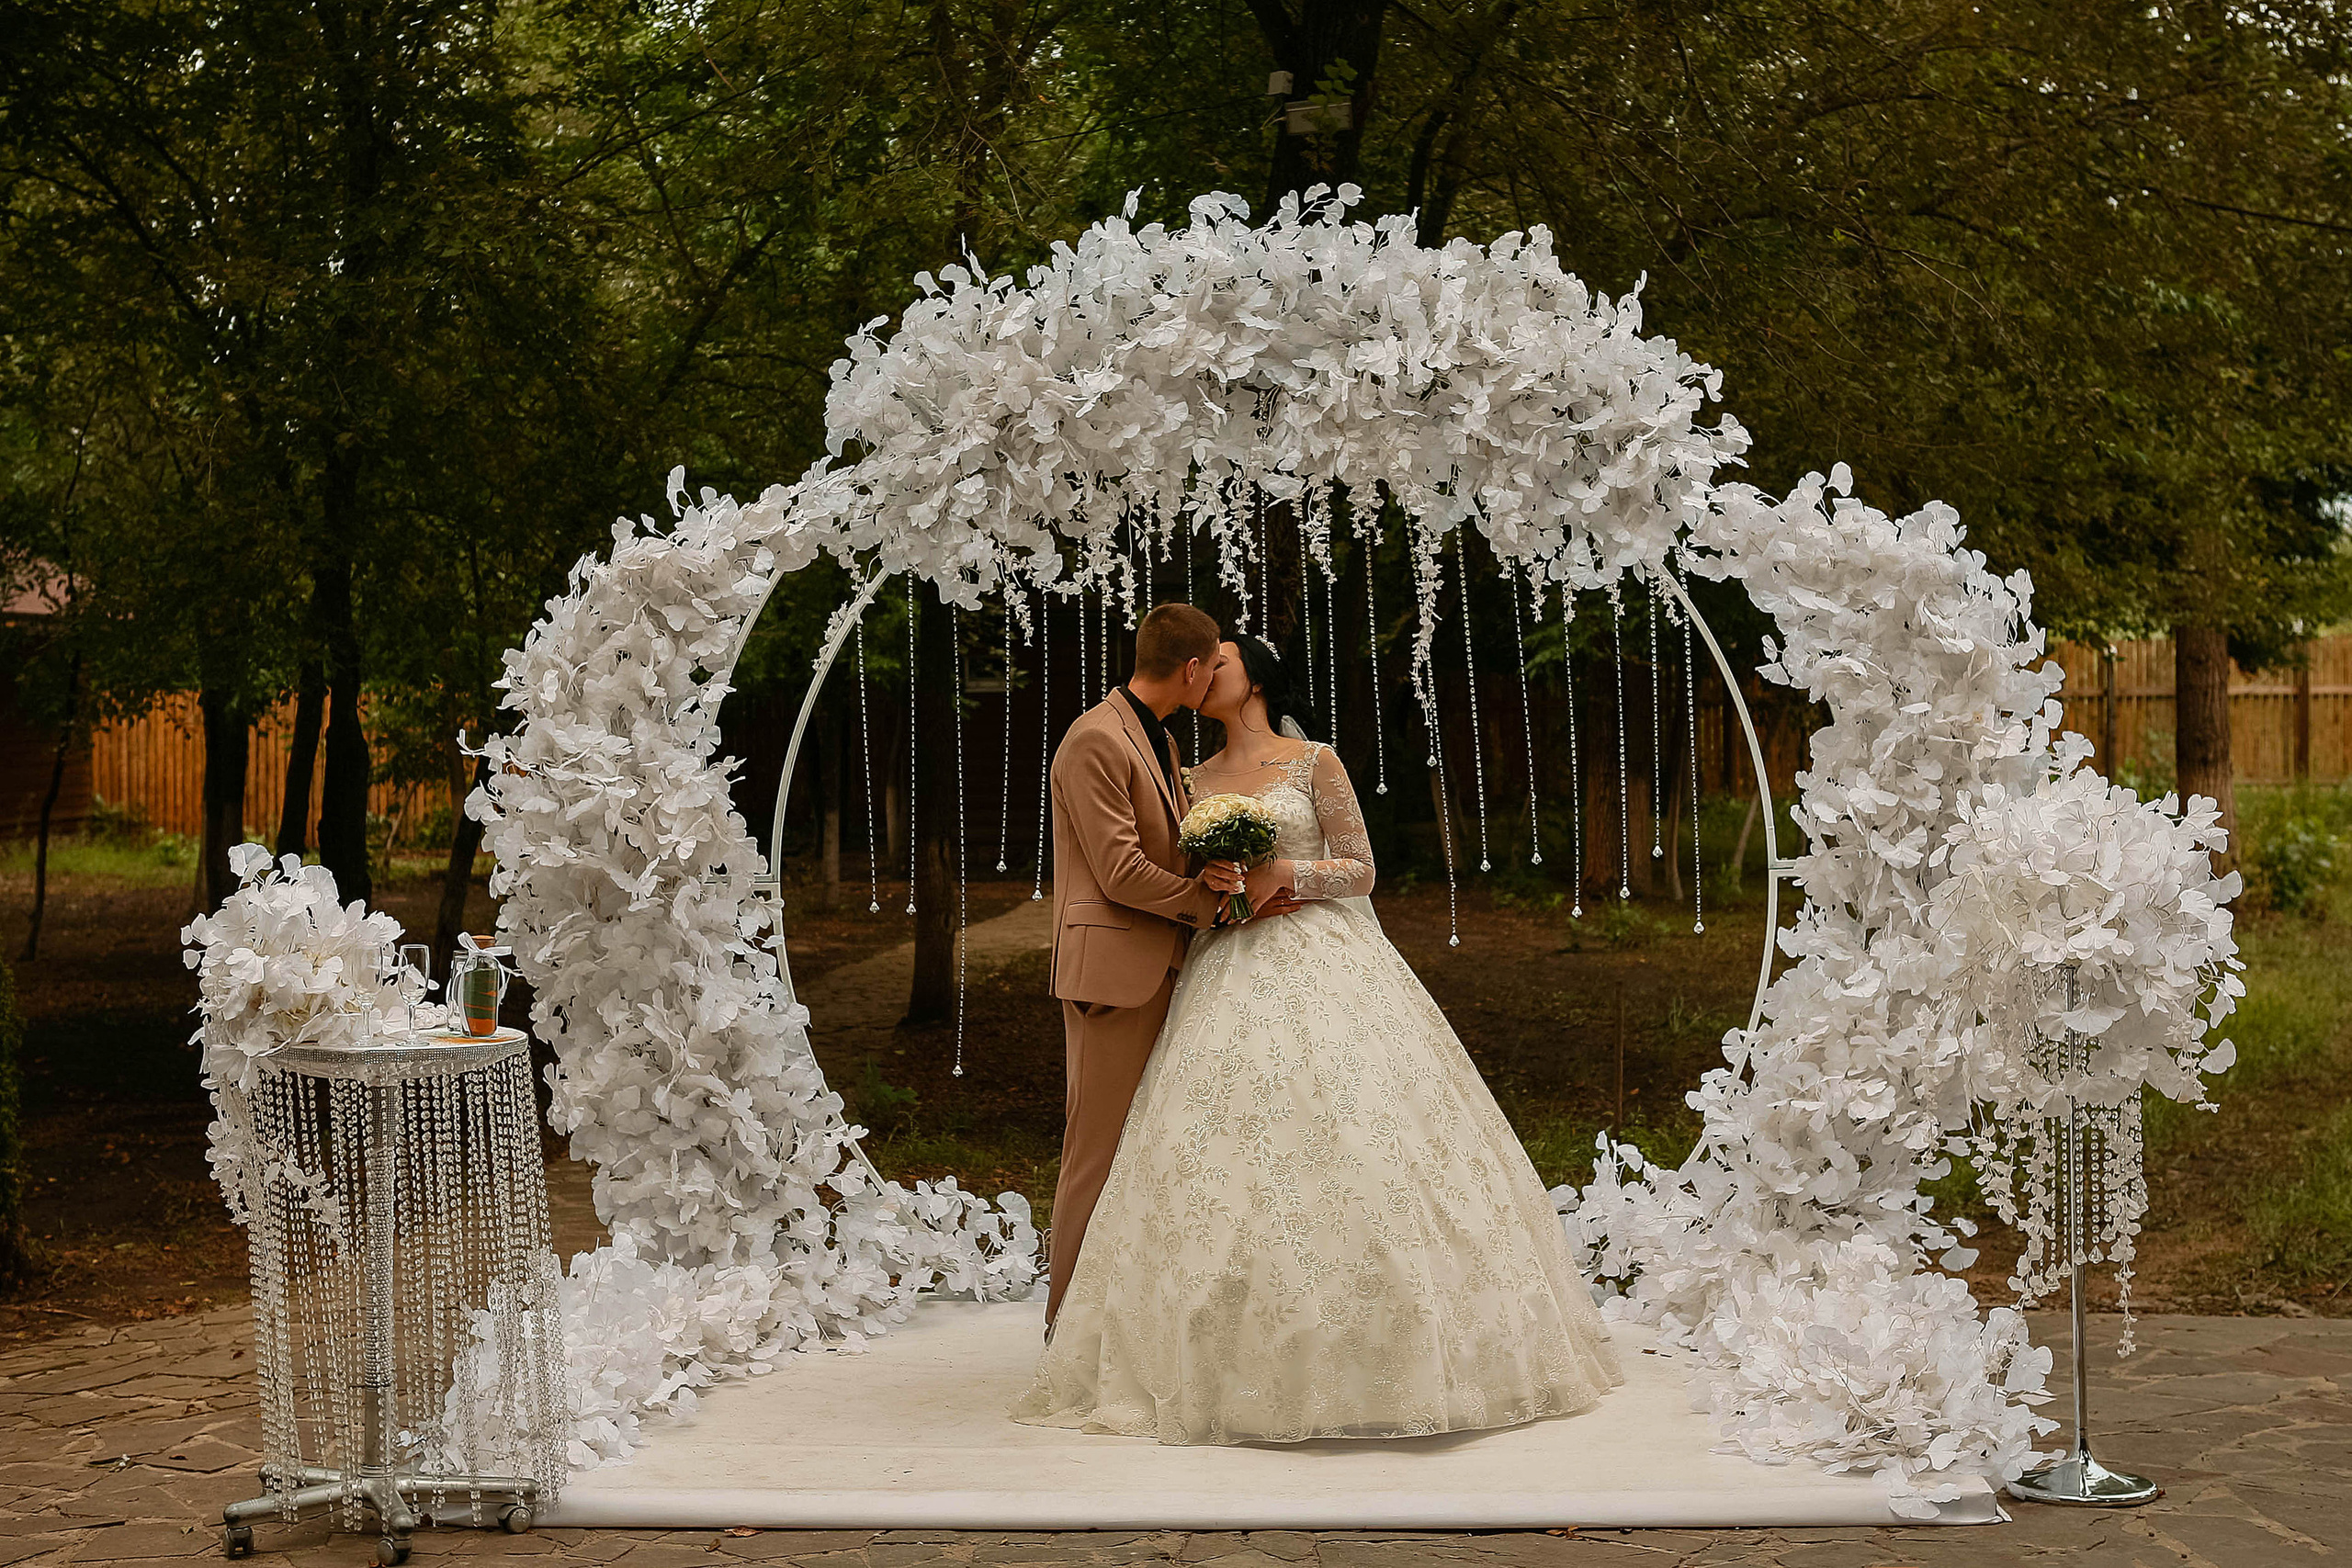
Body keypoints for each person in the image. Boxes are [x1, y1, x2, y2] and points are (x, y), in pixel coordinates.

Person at [1013, 633, 1623, 1444]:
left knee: (1357, 1132)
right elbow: (1162, 870)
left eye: (1222, 661)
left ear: (1255, 678)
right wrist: (1220, 889)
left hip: (1323, 957)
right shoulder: (1184, 773)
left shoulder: (1316, 761)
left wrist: (1286, 876)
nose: (1207, 672)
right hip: (1222, 963)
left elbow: (1362, 867)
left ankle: (1386, 1336)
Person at [1041, 602, 1270, 1327]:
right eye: (1213, 668)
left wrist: (1222, 868)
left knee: (1142, 1148)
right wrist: (1203, 902)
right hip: (1113, 973)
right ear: (1193, 668)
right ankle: (1063, 1324)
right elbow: (1120, 872)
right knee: (1095, 1150)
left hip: (1159, 965)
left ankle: (1119, 1319)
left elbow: (1164, 848)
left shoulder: (1159, 740)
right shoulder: (1095, 740)